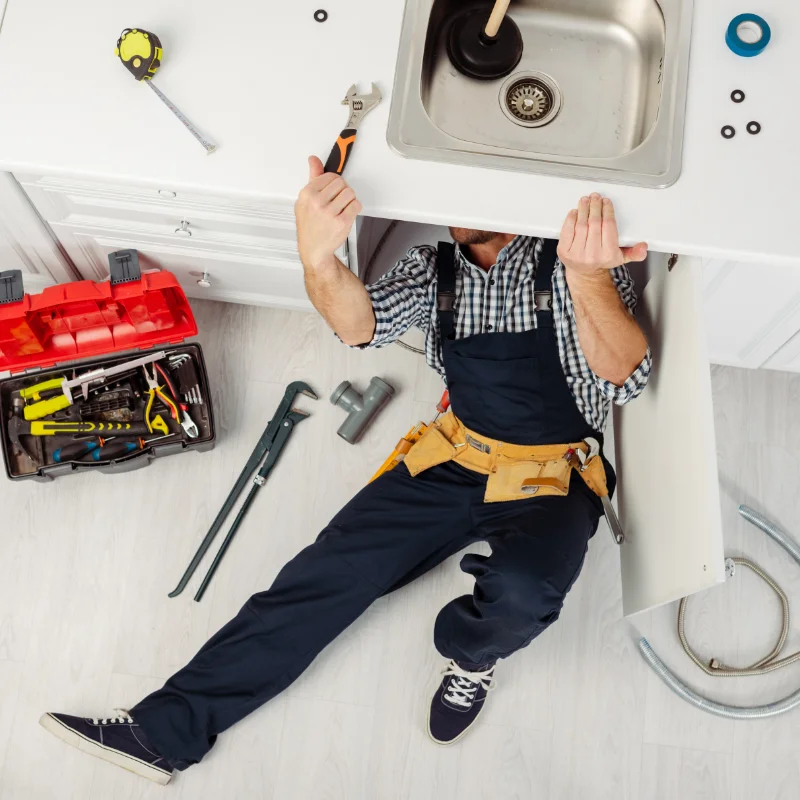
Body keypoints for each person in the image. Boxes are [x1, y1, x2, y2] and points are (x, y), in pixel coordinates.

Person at [39, 157, 651, 785]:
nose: (463, 210)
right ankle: (163, 735)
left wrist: (587, 276)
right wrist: (318, 261)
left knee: (525, 593)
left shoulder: (576, 259)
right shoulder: (435, 269)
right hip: (453, 456)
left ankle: (472, 658)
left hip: (551, 475)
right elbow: (357, 324)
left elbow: (627, 375)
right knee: (317, 580)